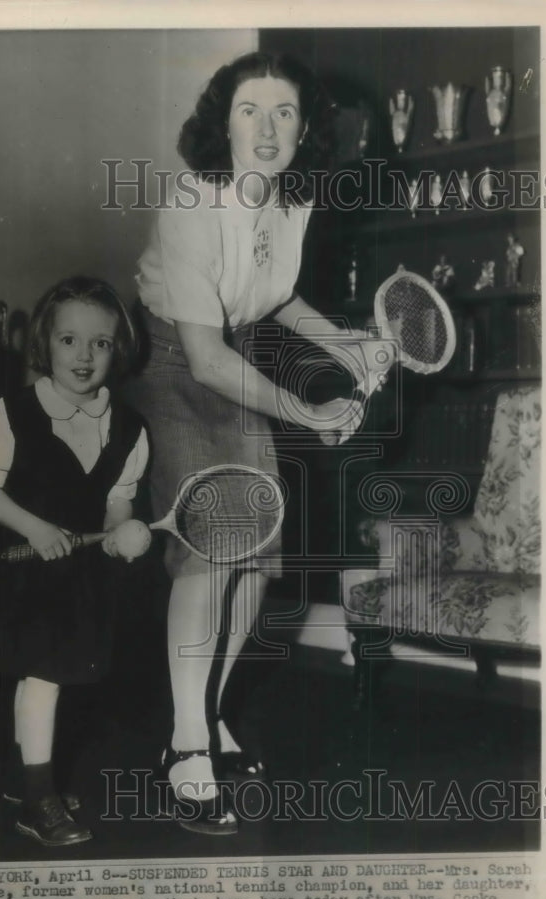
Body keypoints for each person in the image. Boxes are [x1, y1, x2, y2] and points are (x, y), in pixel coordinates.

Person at [126, 52, 364, 834]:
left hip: (234, 360)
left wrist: (346, 345)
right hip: (174, 363)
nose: (267, 129)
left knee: (258, 558)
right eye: (249, 110)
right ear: (221, 123)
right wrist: (308, 411)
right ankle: (185, 744)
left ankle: (208, 715)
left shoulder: (293, 200)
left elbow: (276, 294)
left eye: (285, 112)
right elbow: (200, 356)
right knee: (212, 545)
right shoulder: (190, 203)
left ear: (305, 130)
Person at [0, 276, 149, 847]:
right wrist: (36, 527)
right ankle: (38, 800)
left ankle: (31, 779)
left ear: (118, 350)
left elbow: (118, 501)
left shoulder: (130, 428)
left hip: (81, 580)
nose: (84, 355)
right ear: (45, 345)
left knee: (57, 679)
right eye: (69, 340)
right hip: (20, 569)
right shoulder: (10, 413)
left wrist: (124, 532)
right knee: (44, 676)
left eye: (101, 343)